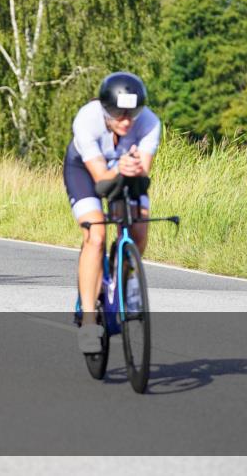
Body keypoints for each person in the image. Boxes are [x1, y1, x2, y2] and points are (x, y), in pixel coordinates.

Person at [64, 72, 161, 354]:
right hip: (86, 173)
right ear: (105, 109)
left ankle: (124, 277)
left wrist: (131, 172)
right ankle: (89, 323)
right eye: (119, 113)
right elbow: (102, 180)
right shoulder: (87, 120)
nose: (127, 120)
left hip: (124, 175)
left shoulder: (150, 123)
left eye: (133, 113)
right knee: (96, 234)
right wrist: (121, 169)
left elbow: (142, 176)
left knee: (138, 228)